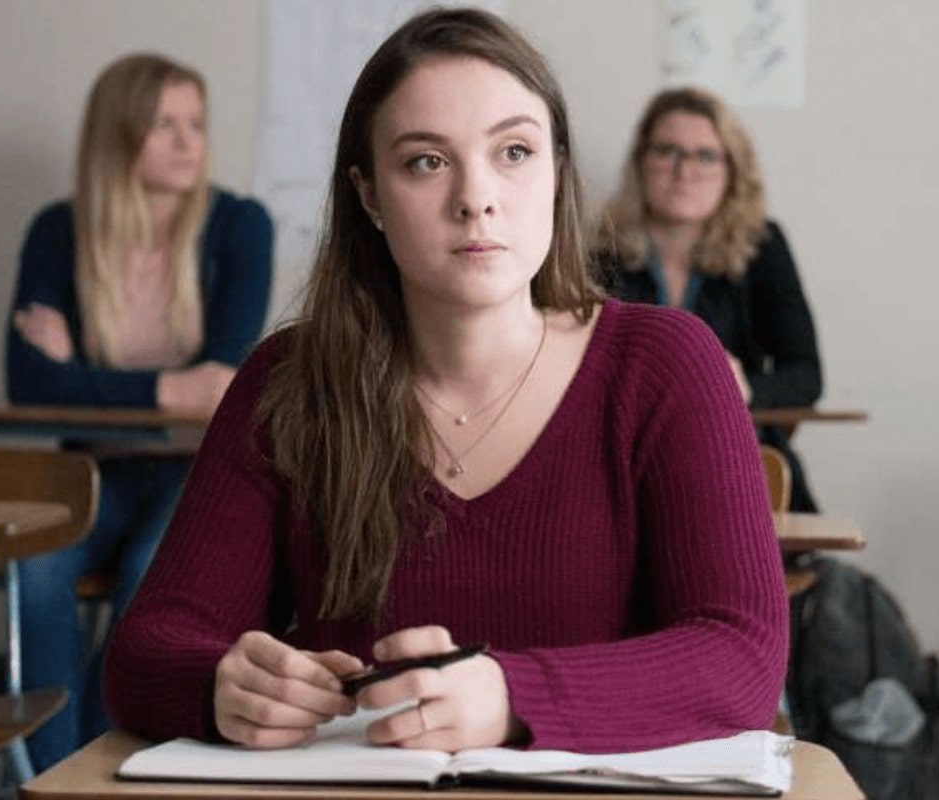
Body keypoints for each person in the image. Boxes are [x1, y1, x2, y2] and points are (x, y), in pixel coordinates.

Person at [105, 8, 785, 755]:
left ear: (557, 172)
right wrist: (219, 686)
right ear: (368, 196)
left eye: (514, 152)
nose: (476, 197)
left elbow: (743, 660)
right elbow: (146, 649)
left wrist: (511, 697)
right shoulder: (290, 383)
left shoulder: (665, 366)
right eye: (426, 161)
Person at [5, 52, 273, 770]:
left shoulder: (240, 227)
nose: (190, 142)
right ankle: (49, 774)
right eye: (164, 124)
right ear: (118, 135)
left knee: (152, 575)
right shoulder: (57, 231)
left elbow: (218, 384)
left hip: (195, 475)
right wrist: (163, 391)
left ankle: (94, 769)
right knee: (32, 571)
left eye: (197, 124)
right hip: (92, 475)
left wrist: (81, 374)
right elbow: (27, 386)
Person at [598, 87, 824, 511]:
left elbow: (807, 376)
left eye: (705, 155)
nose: (685, 170)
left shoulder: (763, 248)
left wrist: (744, 388)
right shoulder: (600, 249)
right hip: (622, 462)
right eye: (668, 151)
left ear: (731, 170)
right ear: (642, 162)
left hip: (737, 460)